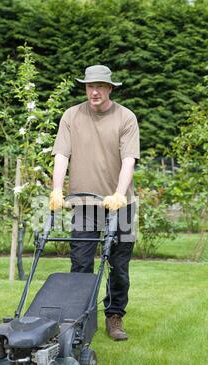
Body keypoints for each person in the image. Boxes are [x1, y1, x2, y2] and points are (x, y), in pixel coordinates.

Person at [49, 65, 140, 341]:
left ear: (110, 88)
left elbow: (129, 161)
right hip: (84, 204)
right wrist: (56, 190)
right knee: (80, 264)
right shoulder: (71, 116)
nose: (95, 91)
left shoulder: (126, 117)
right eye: (90, 86)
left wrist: (120, 193)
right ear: (85, 88)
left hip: (121, 205)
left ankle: (114, 317)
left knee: (118, 267)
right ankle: (80, 318)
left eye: (100, 86)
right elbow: (62, 156)